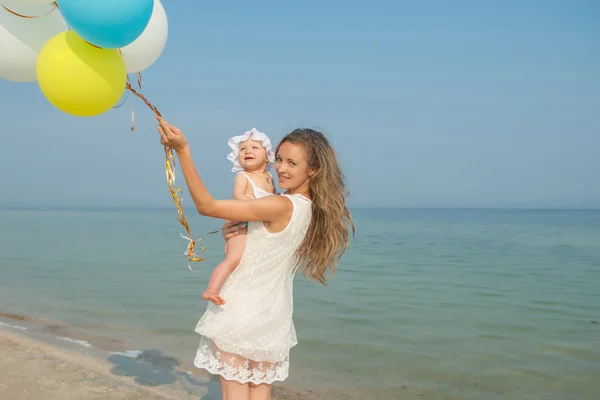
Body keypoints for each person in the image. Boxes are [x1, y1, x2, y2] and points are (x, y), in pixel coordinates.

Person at [156, 117, 354, 400]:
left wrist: (183, 150)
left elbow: (207, 206)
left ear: (313, 170)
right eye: (279, 159)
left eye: (292, 163)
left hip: (240, 308)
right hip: (274, 316)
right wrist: (238, 232)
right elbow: (265, 246)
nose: (282, 169)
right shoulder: (308, 209)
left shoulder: (280, 204)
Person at [202, 128, 276, 306]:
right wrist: (259, 206)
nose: (248, 151)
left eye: (254, 148)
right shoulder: (243, 176)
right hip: (241, 224)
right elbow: (238, 197)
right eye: (243, 149)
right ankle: (212, 289)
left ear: (268, 156)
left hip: (258, 225)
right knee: (233, 259)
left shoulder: (270, 177)